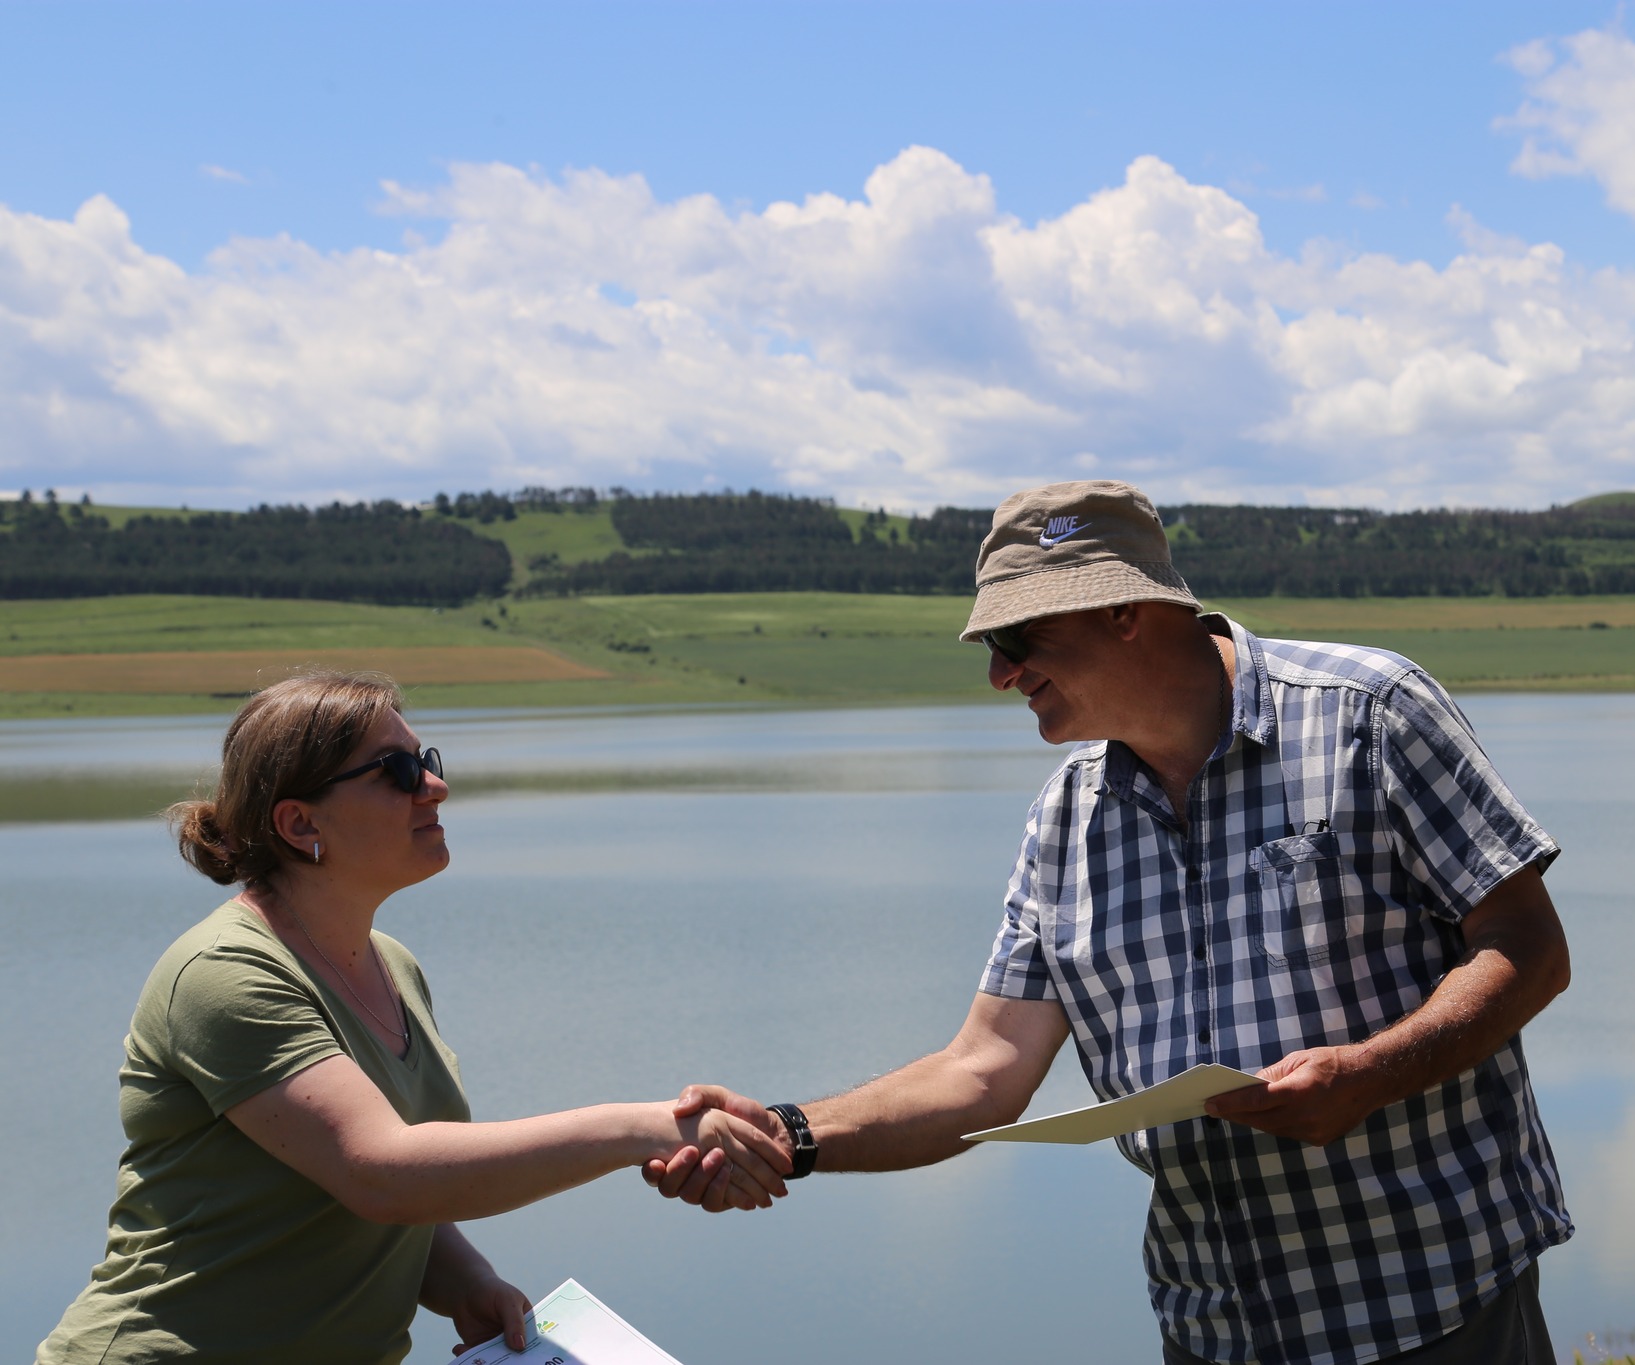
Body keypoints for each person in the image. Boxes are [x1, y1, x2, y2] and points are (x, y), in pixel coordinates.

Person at [656, 481, 1574, 1365]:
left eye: (1016, 637)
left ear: (1123, 610)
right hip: (1213, 1333)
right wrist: (787, 1132)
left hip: (1435, 1311)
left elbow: (1530, 950)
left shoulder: (1370, 713)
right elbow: (981, 1070)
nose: (999, 674)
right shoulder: (1065, 818)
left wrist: (1369, 1076)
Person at [37, 672, 789, 1365]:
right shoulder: (225, 973)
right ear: (299, 823)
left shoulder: (392, 965)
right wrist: (642, 1128)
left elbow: (376, 1199)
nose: (435, 785)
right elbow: (381, 1172)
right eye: (396, 771)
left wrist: (468, 1282)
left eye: (426, 759)